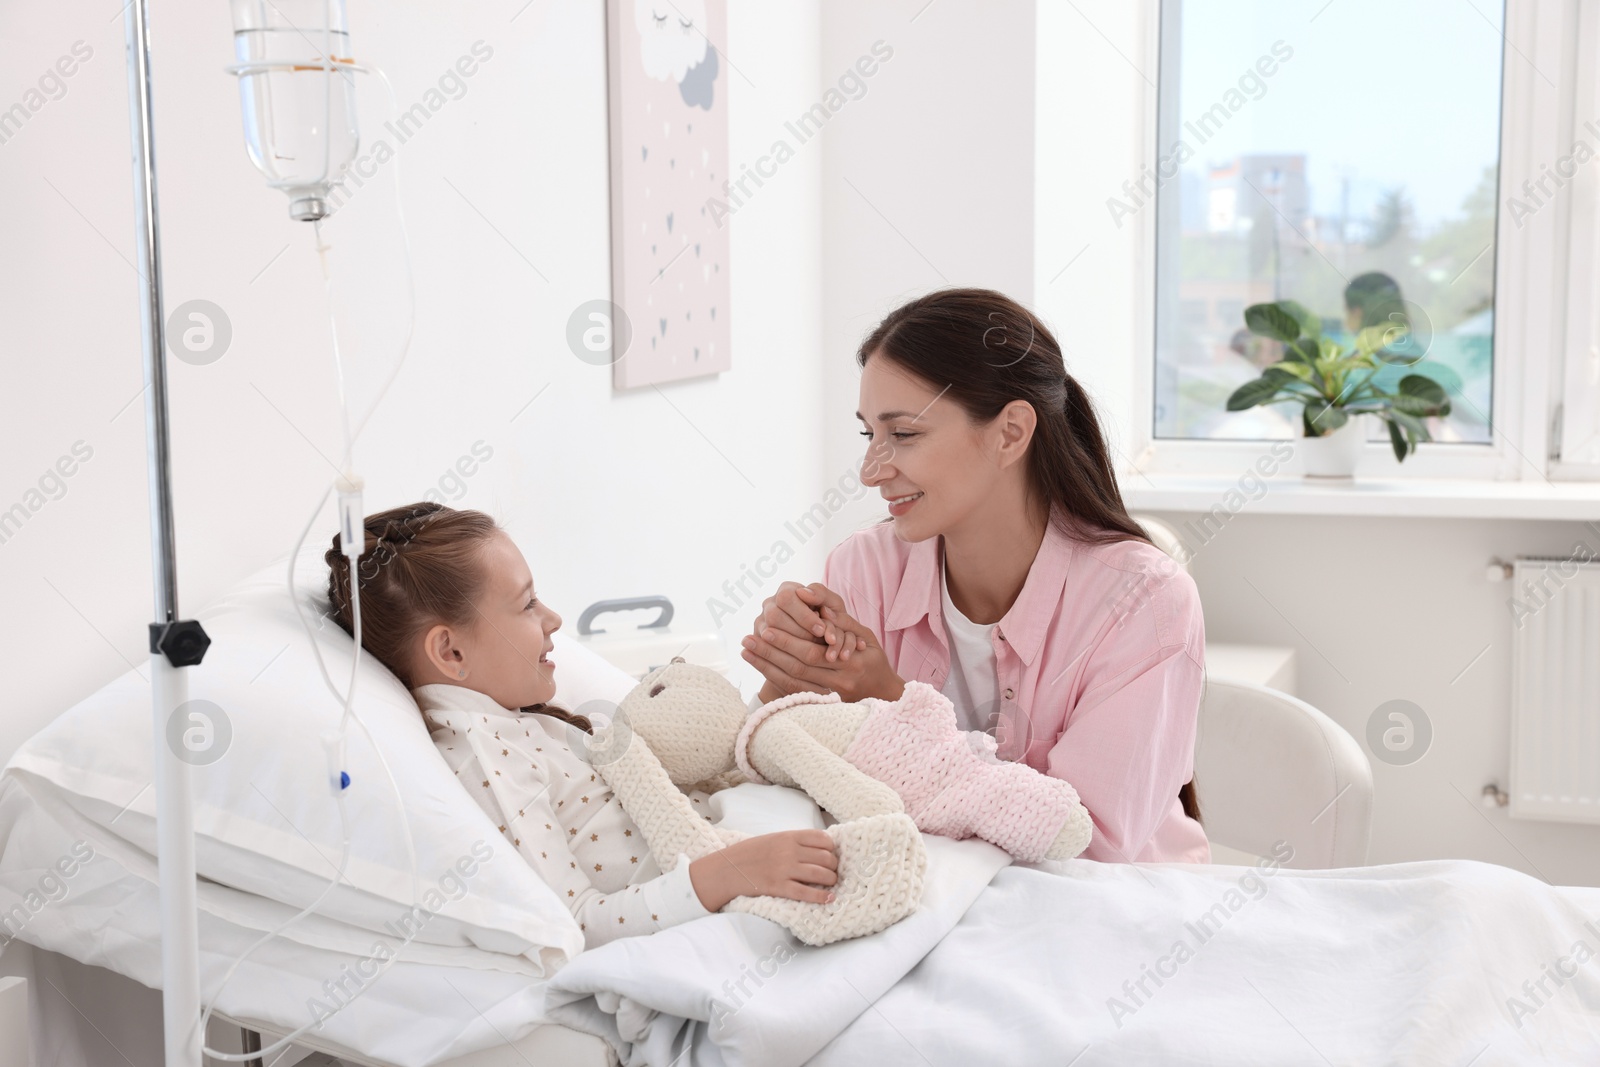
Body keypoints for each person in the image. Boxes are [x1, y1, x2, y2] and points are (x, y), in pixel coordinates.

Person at [740, 288, 1210, 865]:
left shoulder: (1147, 602)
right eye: (869, 434)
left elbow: (1085, 849)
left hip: (1112, 912)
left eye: (904, 434)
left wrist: (887, 703)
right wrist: (784, 686)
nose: (870, 471)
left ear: (1011, 432)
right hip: (937, 904)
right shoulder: (864, 568)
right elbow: (821, 790)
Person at [325, 502, 840, 950]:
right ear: (451, 651)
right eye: (527, 604)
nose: (553, 620)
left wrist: (773, 697)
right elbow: (579, 924)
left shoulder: (523, 723)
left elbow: (684, 779)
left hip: (747, 841)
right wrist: (737, 870)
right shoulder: (487, 755)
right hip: (733, 879)